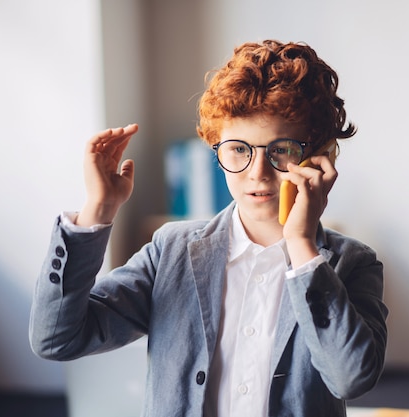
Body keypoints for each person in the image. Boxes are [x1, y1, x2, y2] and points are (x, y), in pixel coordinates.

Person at [29, 39, 388, 417]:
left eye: (281, 149)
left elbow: (352, 378)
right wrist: (97, 209)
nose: (257, 173)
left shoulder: (353, 263)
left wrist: (300, 244)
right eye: (238, 149)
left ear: (320, 156)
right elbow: (56, 338)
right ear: (217, 149)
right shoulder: (171, 250)